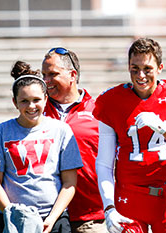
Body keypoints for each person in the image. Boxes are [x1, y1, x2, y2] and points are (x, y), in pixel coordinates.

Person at [92, 37, 166, 233]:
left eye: (147, 69)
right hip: (129, 196)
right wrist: (108, 207)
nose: (141, 75)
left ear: (160, 68)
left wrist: (164, 129)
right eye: (135, 69)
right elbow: (104, 163)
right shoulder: (111, 101)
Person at [0, 73, 83, 233]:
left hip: (53, 219)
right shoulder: (0, 132)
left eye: (36, 100)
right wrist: (13, 214)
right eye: (24, 101)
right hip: (11, 219)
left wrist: (52, 219)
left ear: (45, 99)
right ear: (15, 102)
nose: (31, 106)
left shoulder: (62, 130)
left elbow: (69, 183)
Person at [41, 48, 106, 233]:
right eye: (43, 74)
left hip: (90, 216)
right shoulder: (35, 110)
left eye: (52, 74)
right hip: (46, 217)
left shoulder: (99, 111)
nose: (46, 81)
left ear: (72, 75)